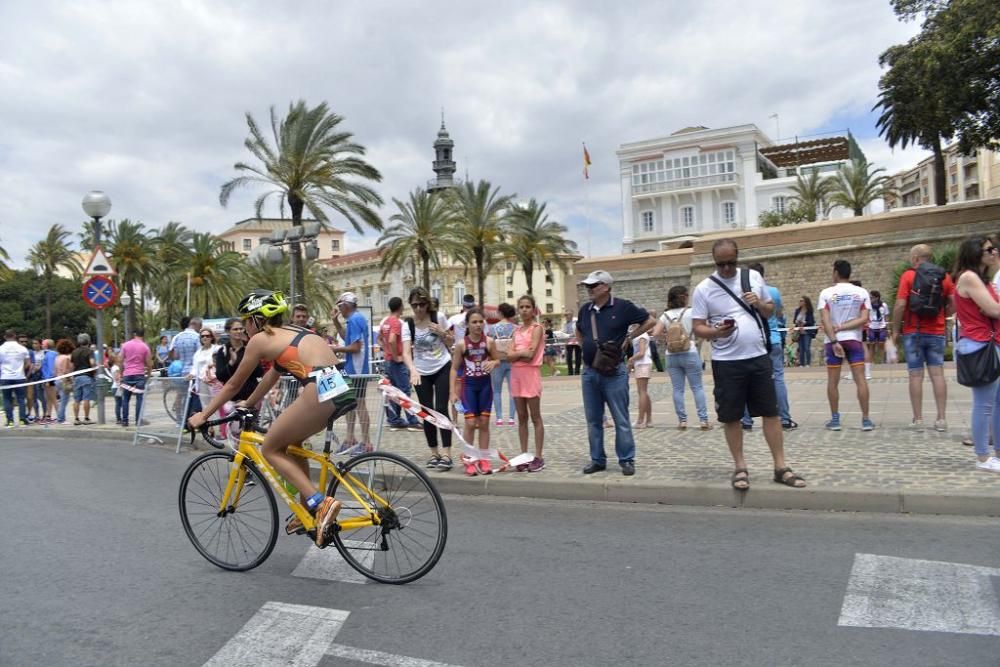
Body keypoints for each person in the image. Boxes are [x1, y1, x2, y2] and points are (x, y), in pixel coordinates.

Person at [189, 289, 351, 547]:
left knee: (270, 448)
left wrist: (203, 415)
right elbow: (271, 377)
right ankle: (307, 507)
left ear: (257, 319)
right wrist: (248, 403)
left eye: (245, 322)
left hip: (319, 389)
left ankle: (319, 504)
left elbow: (232, 384)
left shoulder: (261, 339)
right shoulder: (298, 333)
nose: (243, 329)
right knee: (294, 445)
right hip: (343, 388)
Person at [690, 239, 806, 491]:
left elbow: (770, 311)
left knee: (771, 412)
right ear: (714, 263)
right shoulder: (704, 289)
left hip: (757, 356)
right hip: (726, 361)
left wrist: (759, 303)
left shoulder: (752, 277)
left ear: (737, 257)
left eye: (731, 263)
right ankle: (740, 466)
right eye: (721, 265)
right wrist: (716, 332)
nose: (727, 269)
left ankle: (780, 466)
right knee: (731, 416)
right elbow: (697, 326)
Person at [576, 270, 656, 476]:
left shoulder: (623, 307)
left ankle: (627, 459)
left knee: (620, 418)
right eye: (588, 286)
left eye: (593, 286)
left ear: (605, 287)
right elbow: (579, 330)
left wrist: (630, 336)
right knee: (593, 420)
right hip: (590, 372)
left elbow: (649, 321)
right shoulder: (586, 310)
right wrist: (585, 345)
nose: (589, 289)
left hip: (614, 371)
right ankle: (597, 459)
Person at [892, 244, 956, 432]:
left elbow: (900, 305)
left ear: (916, 258)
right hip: (936, 331)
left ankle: (918, 420)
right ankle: (941, 419)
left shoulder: (908, 276)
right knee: (937, 374)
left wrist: (896, 330)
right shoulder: (944, 276)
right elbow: (953, 303)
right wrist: (943, 316)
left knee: (915, 374)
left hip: (913, 331)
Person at [952, 237, 1000, 471]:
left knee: (997, 403)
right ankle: (983, 456)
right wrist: (992, 309)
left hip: (989, 342)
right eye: (989, 249)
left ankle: (996, 454)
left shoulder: (984, 280)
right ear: (975, 253)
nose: (994, 252)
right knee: (984, 404)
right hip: (980, 343)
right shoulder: (969, 277)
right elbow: (992, 309)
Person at [402, 286, 455, 470]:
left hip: (441, 366)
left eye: (422, 304)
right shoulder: (407, 325)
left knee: (441, 408)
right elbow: (406, 352)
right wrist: (412, 370)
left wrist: (442, 332)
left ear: (427, 304)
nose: (418, 309)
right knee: (427, 413)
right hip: (421, 371)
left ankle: (447, 453)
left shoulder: (437, 317)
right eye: (415, 305)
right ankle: (434, 453)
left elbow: (451, 341)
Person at [817, 260, 874, 431]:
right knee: (861, 380)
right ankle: (865, 419)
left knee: (833, 382)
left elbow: (825, 320)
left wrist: (835, 339)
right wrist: (846, 327)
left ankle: (835, 420)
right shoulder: (861, 292)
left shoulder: (826, 293)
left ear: (835, 272)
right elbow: (864, 319)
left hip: (833, 341)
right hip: (854, 339)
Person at [740, 262, 797, 431]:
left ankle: (746, 420)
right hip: (774, 338)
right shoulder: (773, 292)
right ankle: (785, 418)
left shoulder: (743, 293)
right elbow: (777, 313)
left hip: (755, 341)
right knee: (778, 379)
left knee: (745, 381)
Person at [653, 285, 710, 430]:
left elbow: (655, 333)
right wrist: (696, 340)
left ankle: (682, 421)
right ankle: (703, 420)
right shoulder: (691, 312)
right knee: (697, 387)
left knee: (678, 389)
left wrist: (667, 337)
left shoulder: (665, 316)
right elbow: (703, 327)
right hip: (689, 351)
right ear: (684, 297)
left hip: (671, 355)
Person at [450, 308, 498, 475]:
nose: (478, 325)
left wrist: (494, 363)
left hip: (485, 387)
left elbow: (497, 359)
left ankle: (484, 459)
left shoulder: (490, 342)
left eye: (480, 321)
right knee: (470, 424)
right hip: (468, 387)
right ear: (468, 325)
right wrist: (453, 393)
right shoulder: (462, 344)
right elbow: (454, 368)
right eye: (474, 322)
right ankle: (469, 459)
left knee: (484, 424)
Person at [507, 295, 546, 471]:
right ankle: (524, 454)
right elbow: (509, 355)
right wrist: (520, 353)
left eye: (527, 307)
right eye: (521, 307)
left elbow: (531, 354)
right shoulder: (516, 331)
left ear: (533, 309)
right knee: (521, 417)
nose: (524, 310)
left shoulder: (537, 328)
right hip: (516, 375)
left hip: (530, 374)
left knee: (535, 417)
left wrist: (517, 354)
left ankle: (538, 456)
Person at [331, 292, 371, 453]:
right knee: (351, 404)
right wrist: (336, 322)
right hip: (355, 368)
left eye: (340, 307)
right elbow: (347, 338)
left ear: (345, 305)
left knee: (359, 404)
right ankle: (350, 438)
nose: (339, 310)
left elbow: (355, 347)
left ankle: (366, 442)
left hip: (357, 369)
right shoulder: (356, 318)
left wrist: (335, 349)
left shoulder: (354, 319)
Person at [378, 297, 421, 431]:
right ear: (400, 307)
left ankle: (394, 419)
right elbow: (391, 340)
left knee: (393, 392)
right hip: (396, 362)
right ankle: (412, 421)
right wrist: (396, 356)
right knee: (405, 391)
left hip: (387, 361)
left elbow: (380, 338)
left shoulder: (386, 322)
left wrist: (386, 352)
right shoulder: (396, 322)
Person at [490, 303, 517, 426]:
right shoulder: (515, 328)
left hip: (497, 361)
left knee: (496, 391)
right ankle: (511, 418)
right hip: (512, 360)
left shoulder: (492, 328)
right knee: (513, 391)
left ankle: (499, 418)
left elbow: (489, 345)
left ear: (500, 313)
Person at [119, 328, 152, 428]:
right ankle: (138, 421)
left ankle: (125, 421)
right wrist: (148, 374)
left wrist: (121, 373)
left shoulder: (125, 345)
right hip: (139, 374)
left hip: (127, 374)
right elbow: (149, 363)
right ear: (143, 335)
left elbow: (120, 360)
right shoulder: (145, 347)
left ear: (134, 334)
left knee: (125, 398)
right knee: (139, 399)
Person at [0, 330, 30, 427]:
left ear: (5, 337)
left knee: (7, 399)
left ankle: (10, 421)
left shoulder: (1, 349)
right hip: (19, 376)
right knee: (21, 399)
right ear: (15, 336)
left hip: (5, 376)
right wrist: (21, 370)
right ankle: (22, 420)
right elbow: (28, 363)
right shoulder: (22, 348)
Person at [627, 328, 653, 428]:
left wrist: (631, 359)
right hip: (642, 364)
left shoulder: (642, 336)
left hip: (643, 364)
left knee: (642, 392)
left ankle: (640, 420)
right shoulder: (640, 335)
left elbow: (641, 353)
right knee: (644, 392)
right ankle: (648, 419)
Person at [70, 333, 96, 425]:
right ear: (88, 341)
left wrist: (72, 377)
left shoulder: (74, 352)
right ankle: (86, 418)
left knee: (76, 399)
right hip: (87, 376)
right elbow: (92, 363)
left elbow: (72, 366)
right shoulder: (89, 351)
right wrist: (94, 371)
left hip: (77, 377)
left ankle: (76, 418)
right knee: (86, 398)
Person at [865, 289, 890, 374]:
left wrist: (888, 327)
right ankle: (871, 362)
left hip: (882, 327)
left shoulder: (884, 305)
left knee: (881, 344)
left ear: (877, 297)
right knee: (871, 345)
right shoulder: (869, 306)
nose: (870, 299)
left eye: (871, 297)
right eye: (870, 297)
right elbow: (867, 316)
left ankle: (882, 360)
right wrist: (867, 326)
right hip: (872, 327)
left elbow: (886, 316)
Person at [54, 339, 74, 425]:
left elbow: (54, 370)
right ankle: (61, 418)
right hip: (64, 380)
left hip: (57, 379)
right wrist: (69, 379)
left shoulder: (57, 358)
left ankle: (60, 417)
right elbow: (66, 371)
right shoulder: (66, 358)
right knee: (64, 401)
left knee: (61, 400)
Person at [793, 296, 816, 367]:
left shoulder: (809, 311)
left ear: (805, 302)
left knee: (807, 348)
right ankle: (801, 364)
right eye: (799, 301)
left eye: (802, 301)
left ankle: (808, 363)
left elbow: (811, 321)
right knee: (801, 348)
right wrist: (797, 322)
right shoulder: (797, 310)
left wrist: (804, 322)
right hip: (799, 332)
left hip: (807, 332)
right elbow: (794, 320)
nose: (800, 302)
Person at [40, 339, 58, 424]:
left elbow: (51, 368)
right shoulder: (48, 354)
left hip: (49, 379)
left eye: (43, 344)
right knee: (48, 399)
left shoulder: (50, 354)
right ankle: (48, 415)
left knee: (53, 398)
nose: (41, 345)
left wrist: (48, 379)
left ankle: (60, 416)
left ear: (47, 345)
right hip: (47, 378)